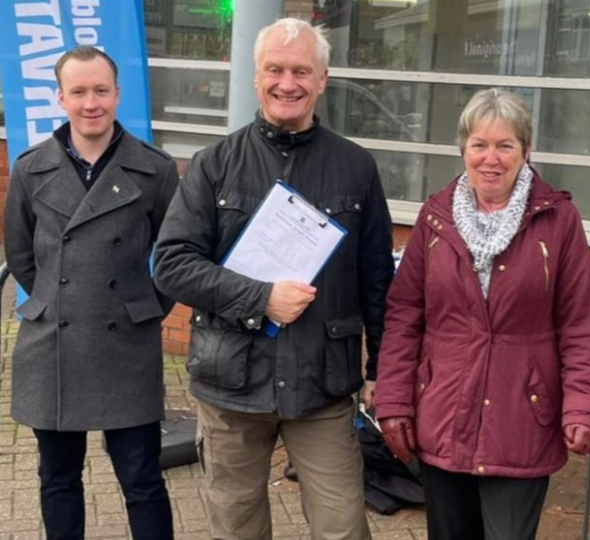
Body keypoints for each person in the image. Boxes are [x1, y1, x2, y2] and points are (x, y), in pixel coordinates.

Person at [153, 17, 393, 540]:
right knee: (236, 529)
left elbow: (378, 280)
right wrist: (260, 297)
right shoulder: (214, 165)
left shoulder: (356, 167)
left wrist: (382, 371)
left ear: (323, 78)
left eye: (302, 70)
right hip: (230, 386)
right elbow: (171, 262)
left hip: (322, 387)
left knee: (343, 527)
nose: (288, 82)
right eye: (275, 70)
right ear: (257, 77)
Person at [373, 88, 590, 540]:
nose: (491, 158)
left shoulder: (557, 221)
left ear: (526, 151)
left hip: (521, 416)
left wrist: (585, 406)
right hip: (443, 412)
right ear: (463, 149)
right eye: (479, 145)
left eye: (505, 145)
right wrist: (394, 399)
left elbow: (580, 323)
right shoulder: (435, 218)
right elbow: (404, 315)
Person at [3, 46, 178, 540]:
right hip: (52, 346)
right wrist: (53, 303)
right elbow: (20, 254)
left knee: (142, 479)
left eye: (101, 90)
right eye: (78, 91)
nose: (91, 102)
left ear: (117, 95)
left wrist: (144, 309)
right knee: (58, 478)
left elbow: (173, 254)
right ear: (60, 97)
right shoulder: (30, 168)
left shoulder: (155, 169)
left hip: (126, 343)